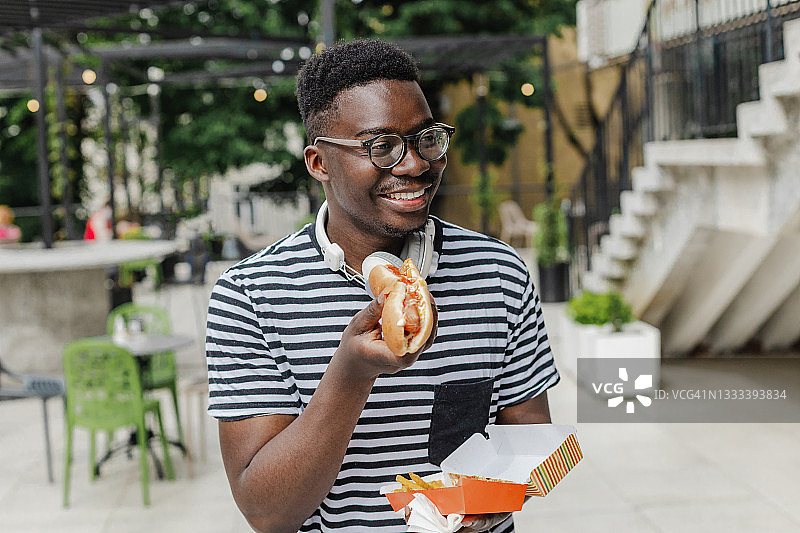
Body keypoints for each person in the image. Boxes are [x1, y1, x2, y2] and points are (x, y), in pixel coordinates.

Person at [206, 39, 560, 533]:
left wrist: (493, 501)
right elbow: (266, 513)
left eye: (426, 138)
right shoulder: (250, 296)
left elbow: (531, 437)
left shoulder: (499, 272)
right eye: (382, 146)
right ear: (319, 163)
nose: (415, 165)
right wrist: (350, 374)